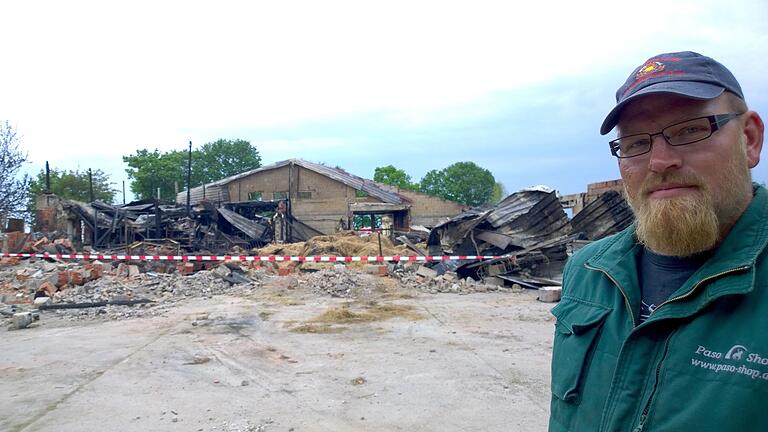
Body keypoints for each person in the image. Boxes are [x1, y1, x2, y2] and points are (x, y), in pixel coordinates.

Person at [549, 51, 766, 432]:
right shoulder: (587, 272)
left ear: (749, 139)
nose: (660, 161)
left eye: (690, 130)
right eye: (635, 143)